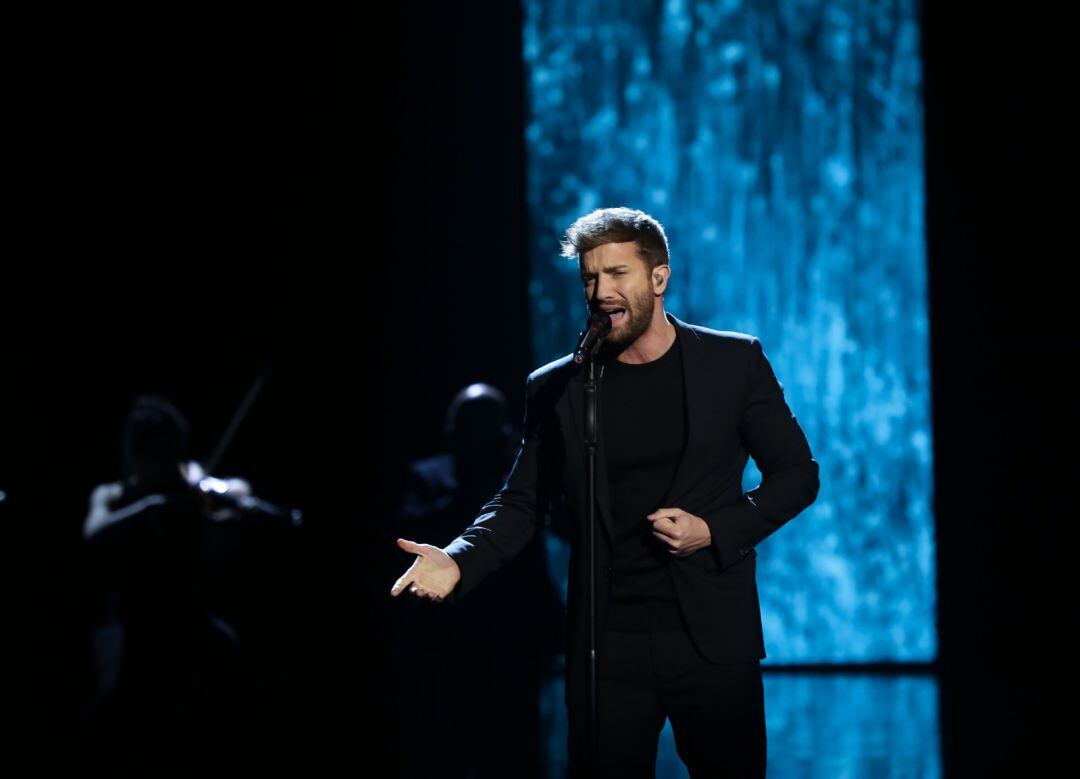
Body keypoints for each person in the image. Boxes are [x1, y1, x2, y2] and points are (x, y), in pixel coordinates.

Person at [390, 206, 820, 777]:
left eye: (617, 274)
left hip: (711, 638)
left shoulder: (733, 363)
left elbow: (797, 474)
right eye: (590, 277)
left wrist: (716, 530)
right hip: (606, 645)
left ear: (658, 278)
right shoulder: (559, 387)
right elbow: (521, 501)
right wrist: (459, 560)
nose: (601, 291)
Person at [390, 383, 564, 779]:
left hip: (513, 633)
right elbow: (416, 532)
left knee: (516, 745)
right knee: (451, 743)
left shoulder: (517, 478)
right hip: (449, 633)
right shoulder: (429, 477)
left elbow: (548, 539)